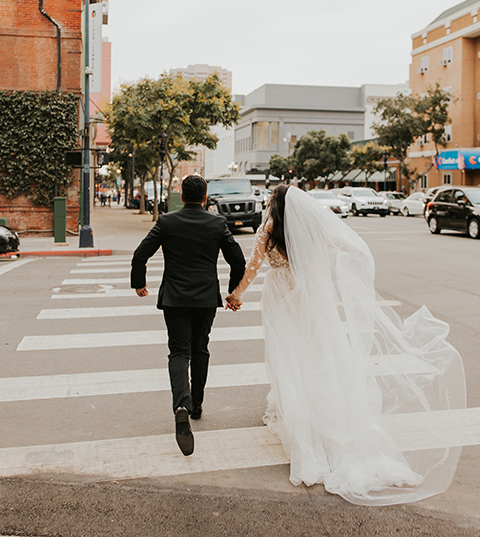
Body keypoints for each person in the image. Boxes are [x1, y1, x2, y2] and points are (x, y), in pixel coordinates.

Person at [226, 185, 466, 506]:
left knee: (288, 356)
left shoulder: (268, 229)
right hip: (311, 296)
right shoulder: (312, 227)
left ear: (274, 204)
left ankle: (298, 412)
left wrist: (236, 294)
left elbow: (253, 267)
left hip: (281, 295)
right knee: (318, 354)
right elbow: (346, 245)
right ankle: (326, 414)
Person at [131, 174, 245, 456]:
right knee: (201, 348)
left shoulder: (167, 222)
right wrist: (233, 292)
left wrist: (139, 282)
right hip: (206, 298)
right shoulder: (217, 223)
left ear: (181, 196)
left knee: (179, 352)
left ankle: (180, 404)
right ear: (205, 197)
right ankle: (196, 404)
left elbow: (140, 254)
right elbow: (238, 260)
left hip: (175, 298)